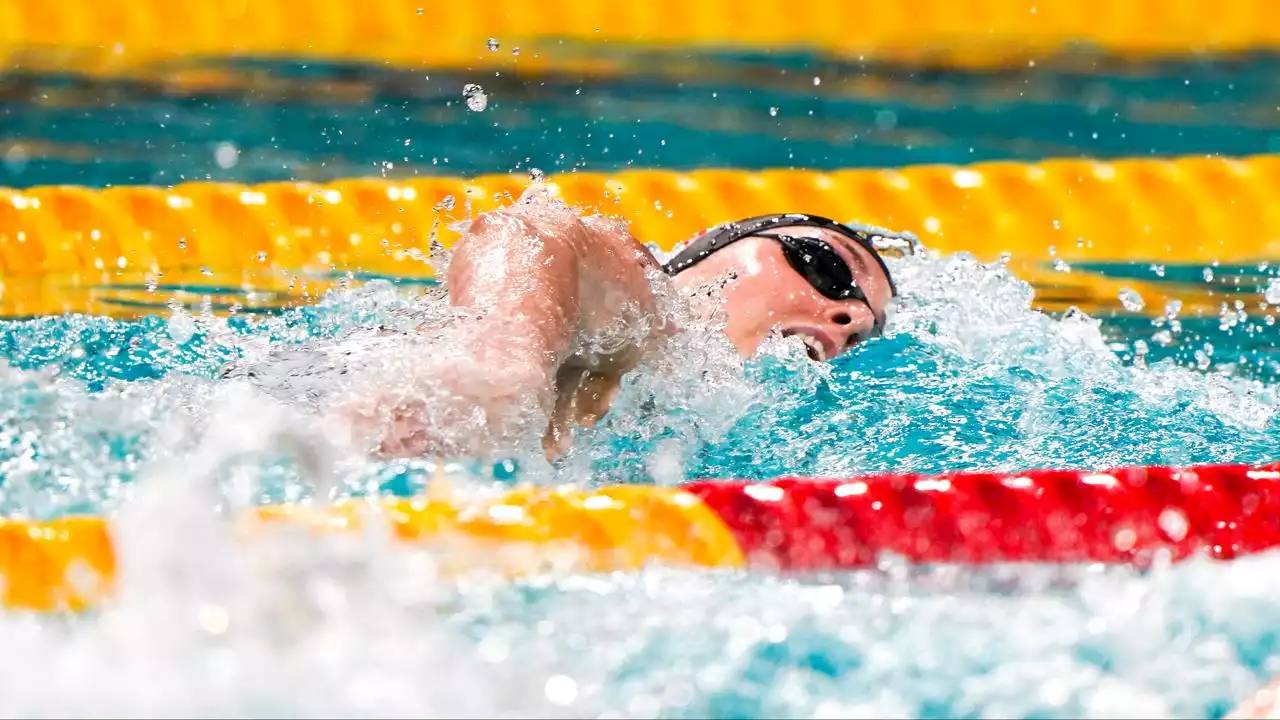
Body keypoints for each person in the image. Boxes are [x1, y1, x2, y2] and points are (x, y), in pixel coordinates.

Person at [337, 192, 909, 460]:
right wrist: (499, 364)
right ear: (695, 256)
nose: (852, 315)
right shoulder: (652, 310)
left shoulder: (704, 424)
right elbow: (533, 233)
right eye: (828, 268)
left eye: (867, 330)